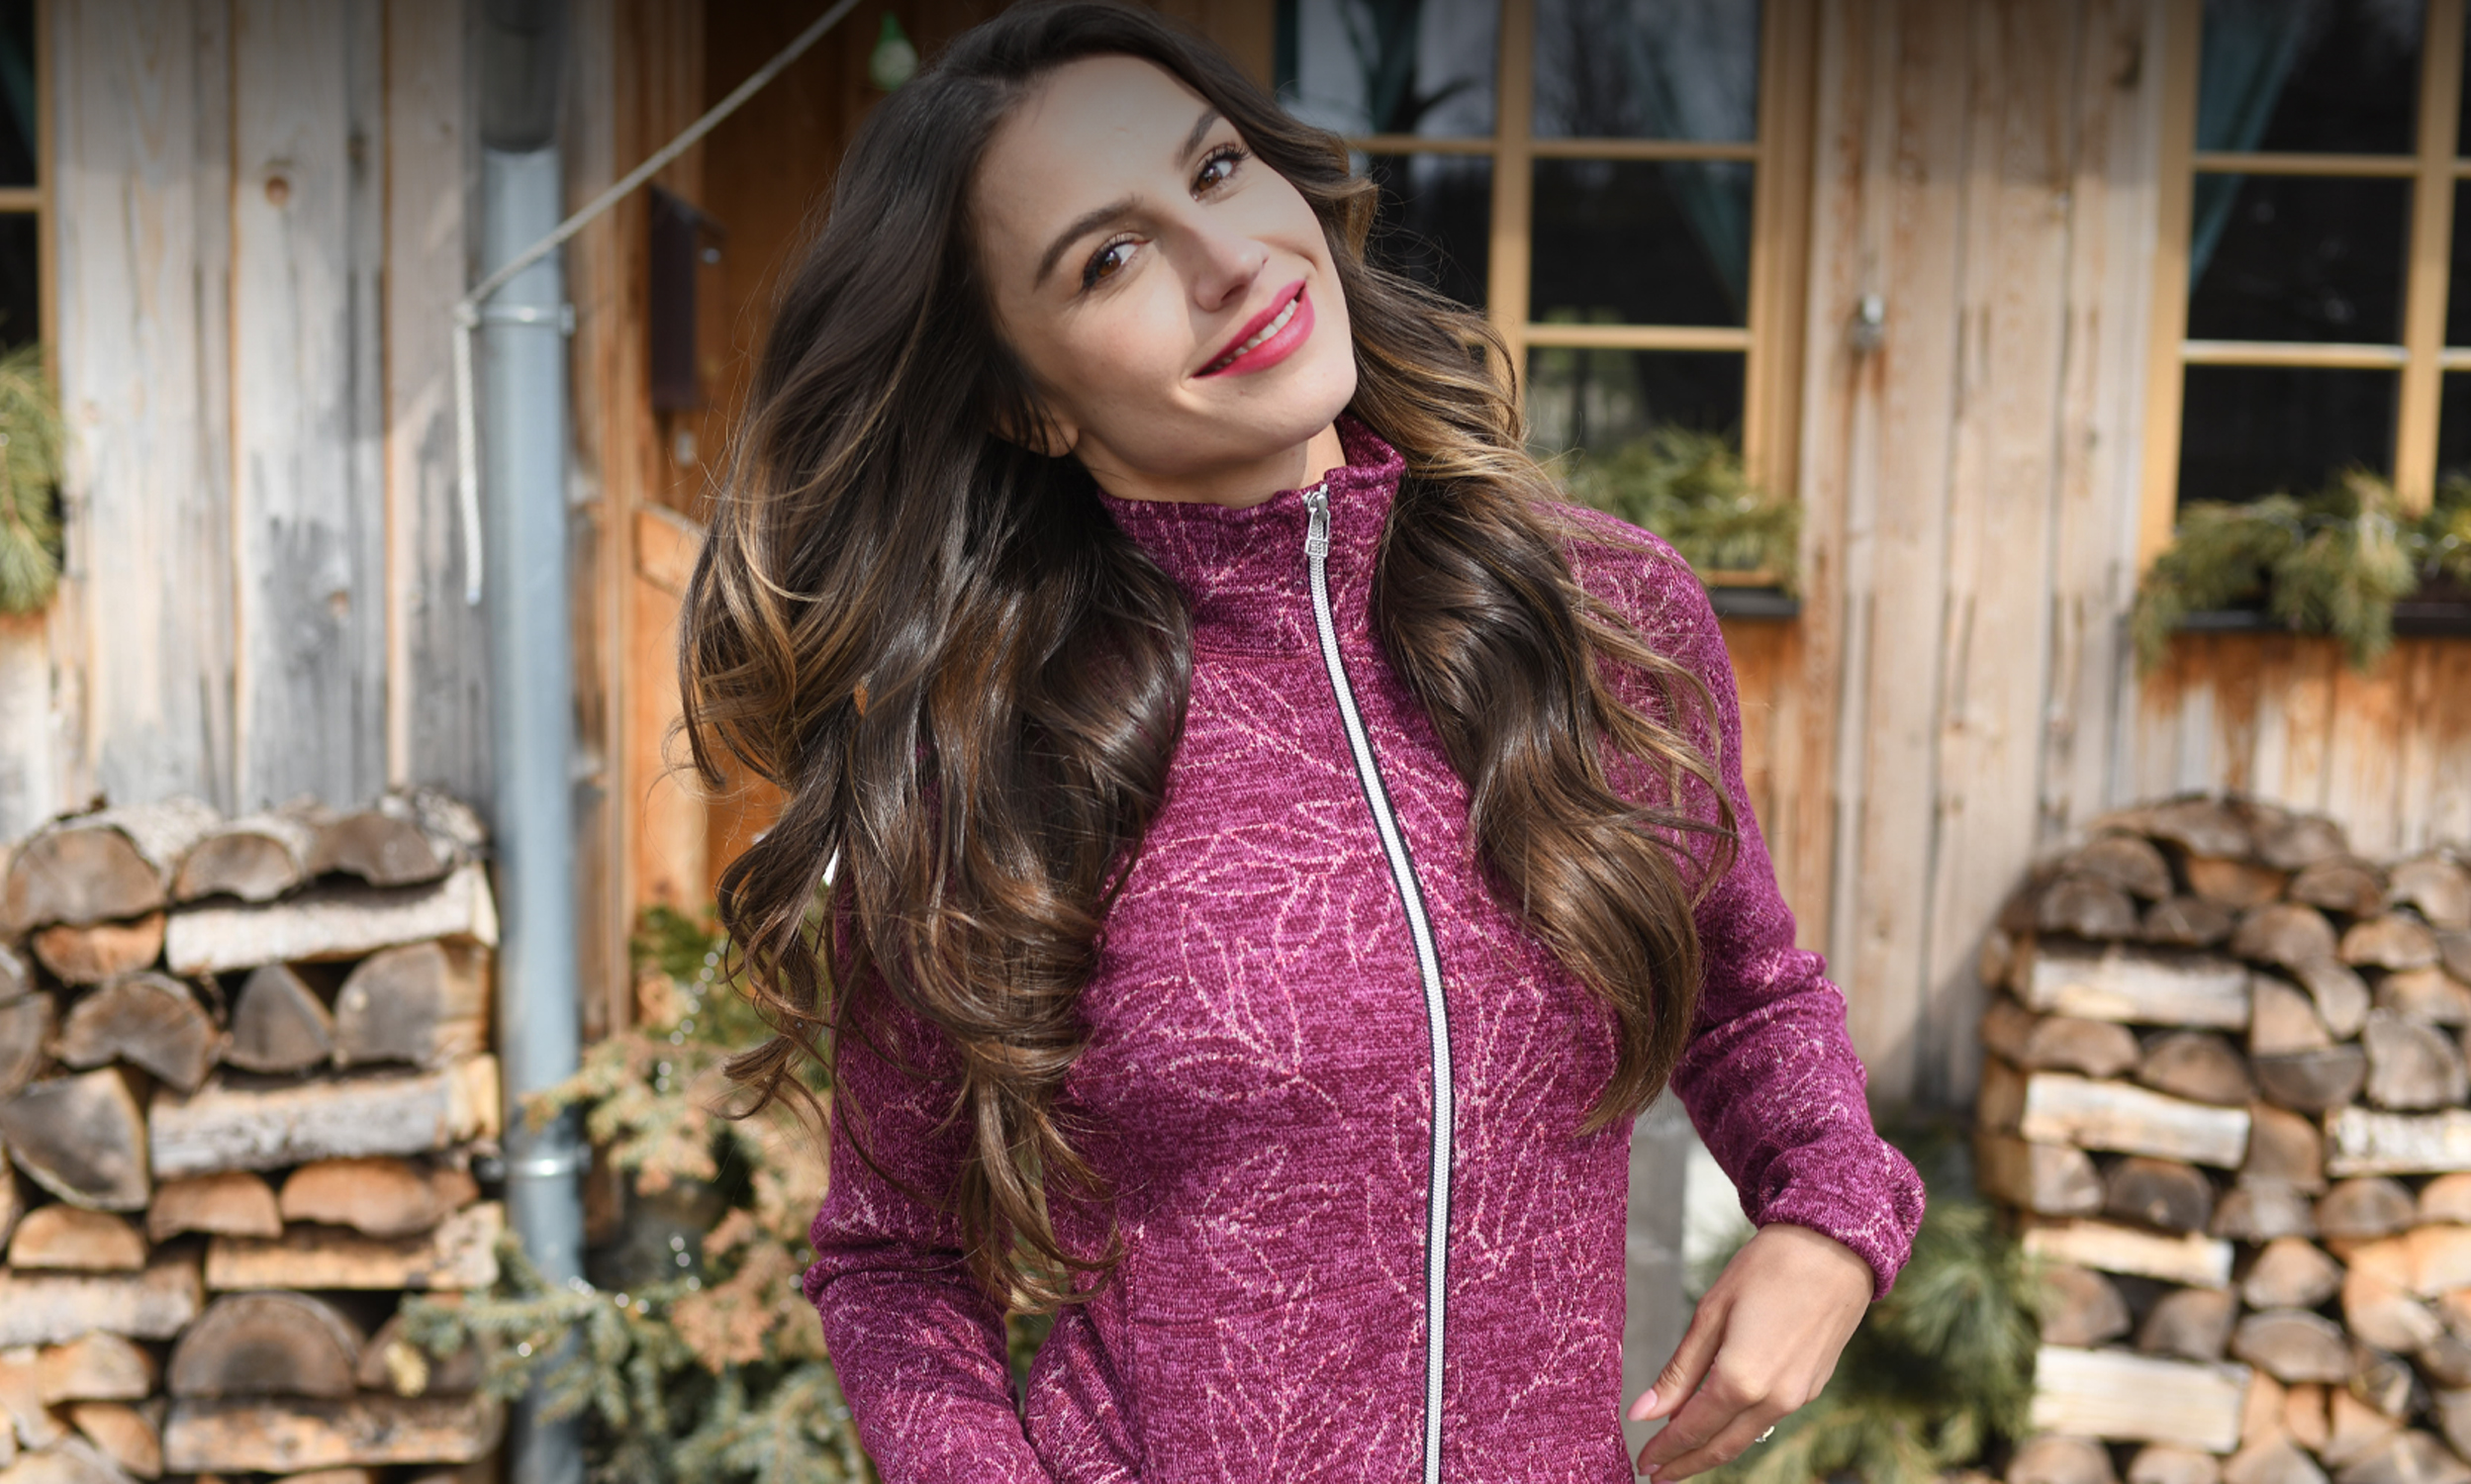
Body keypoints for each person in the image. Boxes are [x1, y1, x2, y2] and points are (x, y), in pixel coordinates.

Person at [676, 5, 1925, 1480]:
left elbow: (1747, 995)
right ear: (1026, 402)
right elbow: (897, 1261)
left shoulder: (1602, 618)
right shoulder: (985, 756)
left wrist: (1832, 1218)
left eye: (1215, 170)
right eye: (1110, 258)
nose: (1227, 261)